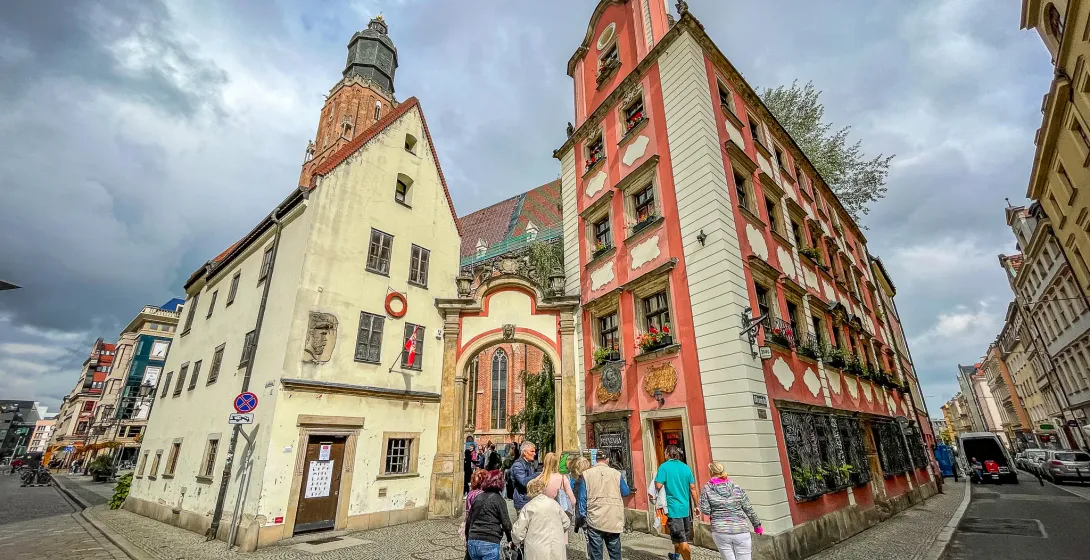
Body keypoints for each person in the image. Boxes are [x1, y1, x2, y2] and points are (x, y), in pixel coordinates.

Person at [698, 462, 762, 560]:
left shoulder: (707, 488)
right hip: (741, 530)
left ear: (711, 472)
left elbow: (705, 510)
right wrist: (757, 526)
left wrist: (717, 511)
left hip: (720, 531)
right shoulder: (736, 486)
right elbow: (748, 508)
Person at [582, 452, 631, 560]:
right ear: (608, 459)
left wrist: (582, 518)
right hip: (613, 517)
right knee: (615, 553)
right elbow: (626, 492)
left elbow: (582, 498)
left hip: (595, 517)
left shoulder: (586, 474)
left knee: (596, 554)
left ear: (596, 459)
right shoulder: (616, 474)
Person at [655, 446, 698, 560]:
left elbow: (658, 485)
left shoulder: (664, 467)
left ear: (668, 454)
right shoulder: (686, 468)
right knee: (679, 537)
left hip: (673, 509)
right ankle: (675, 556)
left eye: (665, 453)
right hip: (685, 509)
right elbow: (693, 488)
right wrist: (696, 505)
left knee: (681, 540)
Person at [513, 477, 571, 560]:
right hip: (556, 547)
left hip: (537, 550)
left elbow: (518, 532)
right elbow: (566, 523)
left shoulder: (529, 507)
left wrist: (516, 542)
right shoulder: (555, 504)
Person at [466, 470, 513, 560]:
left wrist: (468, 538)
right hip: (490, 541)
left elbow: (469, 520)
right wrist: (510, 540)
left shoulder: (478, 498)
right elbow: (506, 524)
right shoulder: (499, 500)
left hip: (473, 541)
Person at [537, 452, 577, 521]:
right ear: (557, 463)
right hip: (559, 515)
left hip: (543, 515)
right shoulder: (562, 478)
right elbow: (573, 500)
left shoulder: (539, 479)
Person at [461, 469, 490, 543]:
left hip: (470, 526)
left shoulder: (470, 494)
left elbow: (468, 511)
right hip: (483, 527)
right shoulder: (485, 494)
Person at [511, 440, 540, 512]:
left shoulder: (530, 463)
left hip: (530, 500)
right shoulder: (518, 465)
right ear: (524, 453)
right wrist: (538, 474)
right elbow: (523, 482)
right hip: (522, 501)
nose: (535, 454)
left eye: (534, 451)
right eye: (532, 451)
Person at [568, 457, 591, 534]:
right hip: (596, 515)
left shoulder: (578, 482)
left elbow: (581, 500)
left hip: (584, 517)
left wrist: (579, 520)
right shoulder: (591, 479)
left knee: (589, 540)